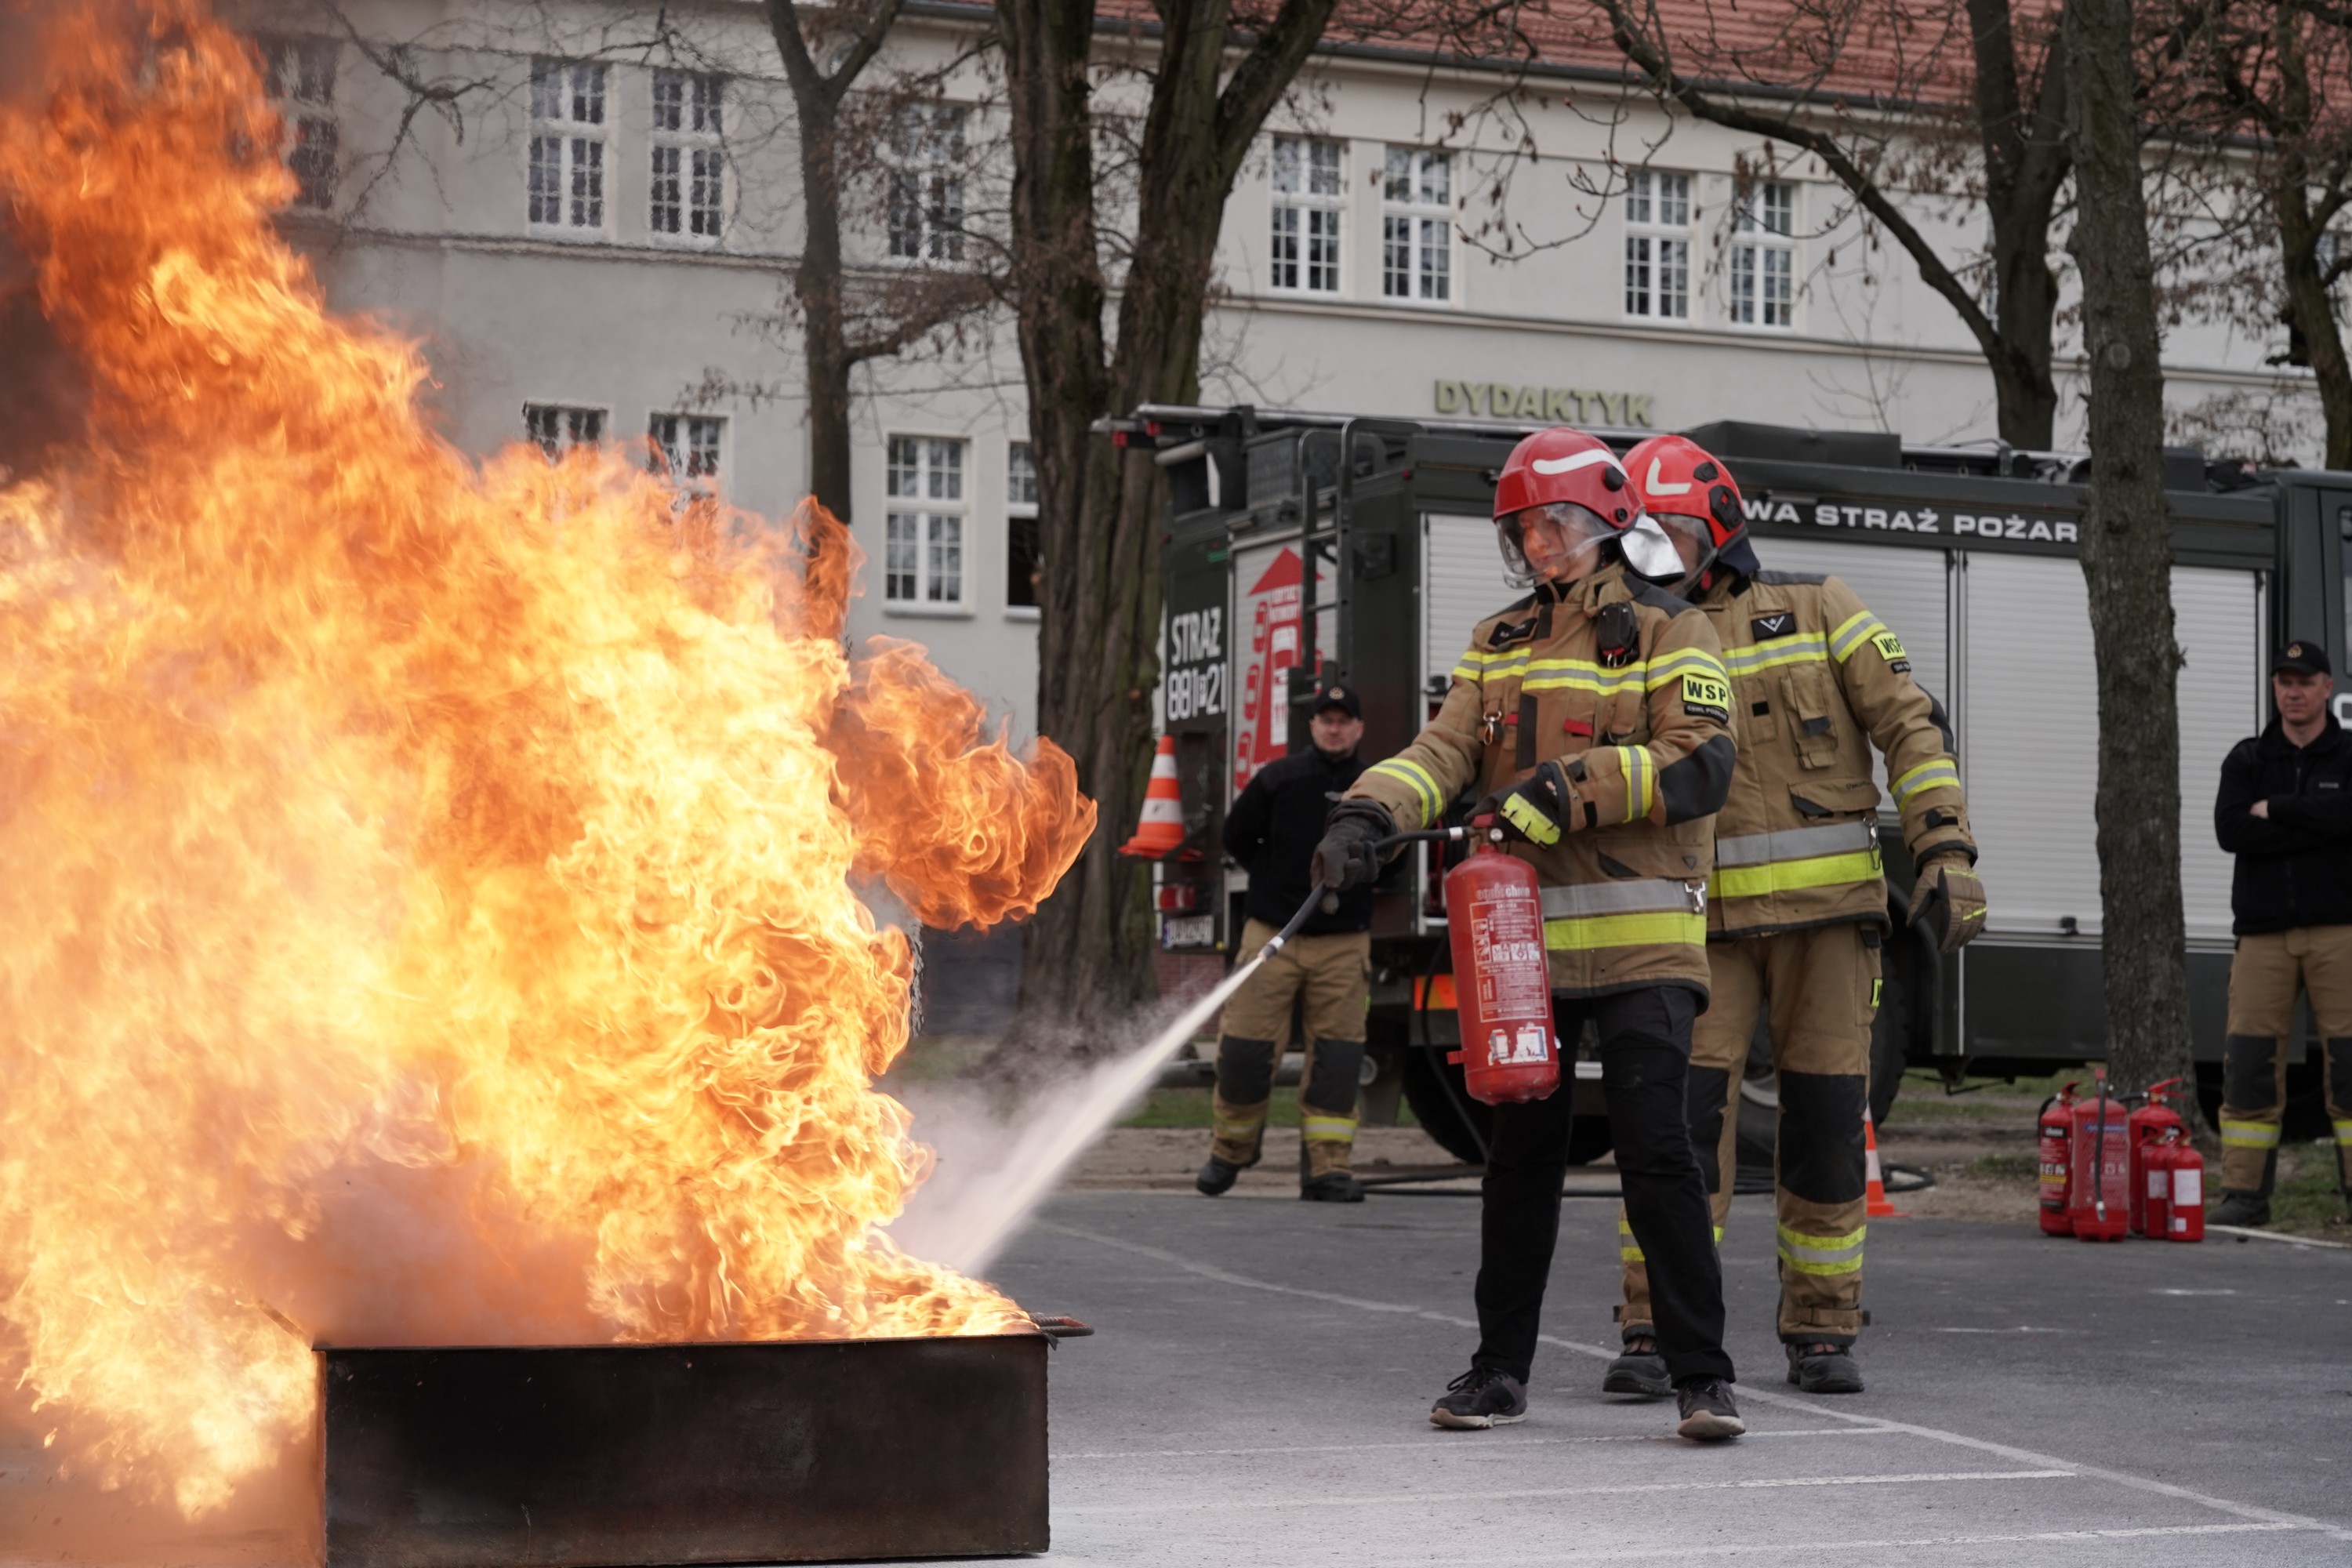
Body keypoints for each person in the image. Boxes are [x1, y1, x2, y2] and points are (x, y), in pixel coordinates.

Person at [1318, 425, 1746, 1442]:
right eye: (1522, 532)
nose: (1536, 545)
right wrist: (1366, 814)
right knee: (1519, 1161)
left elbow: (1701, 761)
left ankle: (1702, 1378)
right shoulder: (1498, 640)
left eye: (1551, 525)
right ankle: (1498, 1372)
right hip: (1526, 949)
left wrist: (1567, 788)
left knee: (1658, 1154)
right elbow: (1442, 750)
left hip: (1645, 943)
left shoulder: (1674, 629)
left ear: (1605, 518)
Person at [1604, 434, 1985, 1399]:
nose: (1661, 551)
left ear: (1722, 526)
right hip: (1693, 928)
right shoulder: (1631, 634)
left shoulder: (1819, 606)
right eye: (1644, 533)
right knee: (1674, 1127)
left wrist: (1944, 847)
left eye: (1676, 530)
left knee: (1823, 1122)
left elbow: (1910, 724)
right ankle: (1653, 1323)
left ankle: (1822, 1325)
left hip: (1829, 923)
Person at [1197, 682, 1375, 1203]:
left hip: (1344, 942)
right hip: (1272, 933)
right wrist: (1275, 879)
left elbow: (1395, 854)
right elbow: (1236, 835)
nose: (1335, 729)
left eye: (1344, 720)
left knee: (1339, 1058)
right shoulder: (1279, 779)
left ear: (1359, 729)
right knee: (1245, 1050)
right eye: (1327, 720)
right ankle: (1231, 1151)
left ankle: (1328, 1168)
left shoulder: (1375, 788)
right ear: (1312, 726)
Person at [2210, 639, 2352, 1226]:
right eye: (2284, 682)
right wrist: (2321, 824)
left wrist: (2281, 809)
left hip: (2340, 933)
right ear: (2275, 688)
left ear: (2327, 689)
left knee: (2350, 1064)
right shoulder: (2247, 759)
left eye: (2305, 682)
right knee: (2249, 1063)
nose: (2294, 692)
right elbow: (2231, 831)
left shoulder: (2348, 754)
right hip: (2263, 936)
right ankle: (2244, 1196)